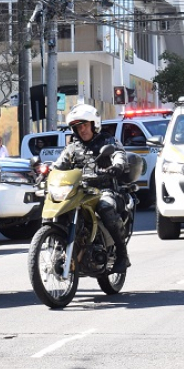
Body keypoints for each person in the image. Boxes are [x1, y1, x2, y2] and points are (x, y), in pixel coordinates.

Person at [51, 104, 131, 274]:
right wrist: (45, 173)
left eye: (85, 125)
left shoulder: (108, 141)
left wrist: (117, 166)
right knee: (59, 208)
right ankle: (59, 248)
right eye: (78, 127)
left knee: (105, 206)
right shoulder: (73, 147)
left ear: (94, 124)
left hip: (105, 189)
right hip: (80, 192)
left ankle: (122, 254)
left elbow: (119, 154)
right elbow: (59, 165)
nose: (82, 130)